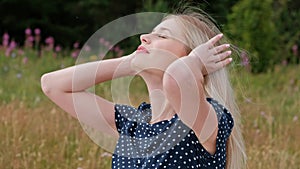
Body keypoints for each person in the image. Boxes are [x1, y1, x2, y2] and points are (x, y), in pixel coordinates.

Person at [41, 5, 246, 169]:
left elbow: (177, 79)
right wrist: (131, 63)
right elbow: (53, 85)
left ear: (191, 55)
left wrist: (196, 65)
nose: (144, 37)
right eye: (150, 34)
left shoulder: (207, 120)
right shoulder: (133, 123)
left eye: (163, 35)